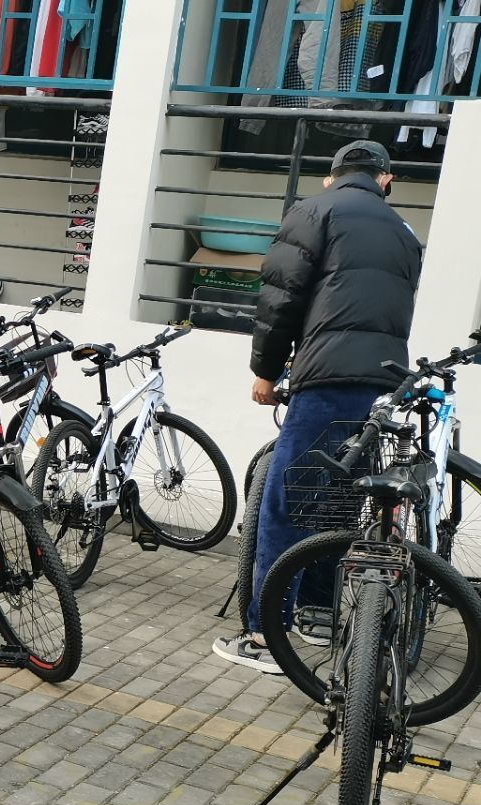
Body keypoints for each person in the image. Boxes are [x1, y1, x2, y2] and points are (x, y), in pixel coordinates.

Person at [213, 140, 423, 673]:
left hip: (326, 377)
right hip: (381, 384)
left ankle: (266, 636)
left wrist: (266, 371)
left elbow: (280, 297)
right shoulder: (404, 231)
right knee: (342, 500)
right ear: (385, 180)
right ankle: (320, 612)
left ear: (331, 177)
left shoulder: (314, 211)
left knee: (289, 501)